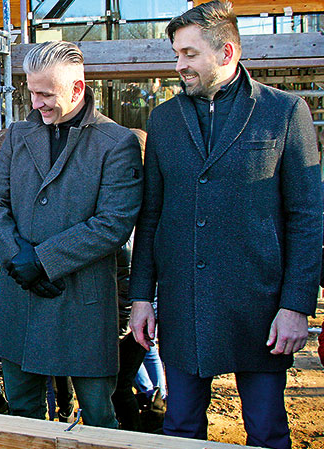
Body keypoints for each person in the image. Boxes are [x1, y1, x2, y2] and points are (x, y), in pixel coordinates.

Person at [128, 2, 321, 448]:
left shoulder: (286, 113)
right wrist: (141, 297)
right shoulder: (164, 119)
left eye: (190, 54)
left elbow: (307, 219)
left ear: (226, 52)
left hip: (260, 309)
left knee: (268, 430)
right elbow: (151, 214)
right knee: (180, 430)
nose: (180, 65)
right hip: (182, 305)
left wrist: (297, 307)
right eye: (177, 54)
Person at [0, 41, 143, 427]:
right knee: (22, 412)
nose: (36, 103)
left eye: (46, 94)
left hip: (82, 304)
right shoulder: (17, 136)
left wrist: (43, 260)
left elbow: (114, 222)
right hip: (21, 300)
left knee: (99, 418)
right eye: (31, 92)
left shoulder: (116, 142)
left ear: (77, 88)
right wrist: (17, 255)